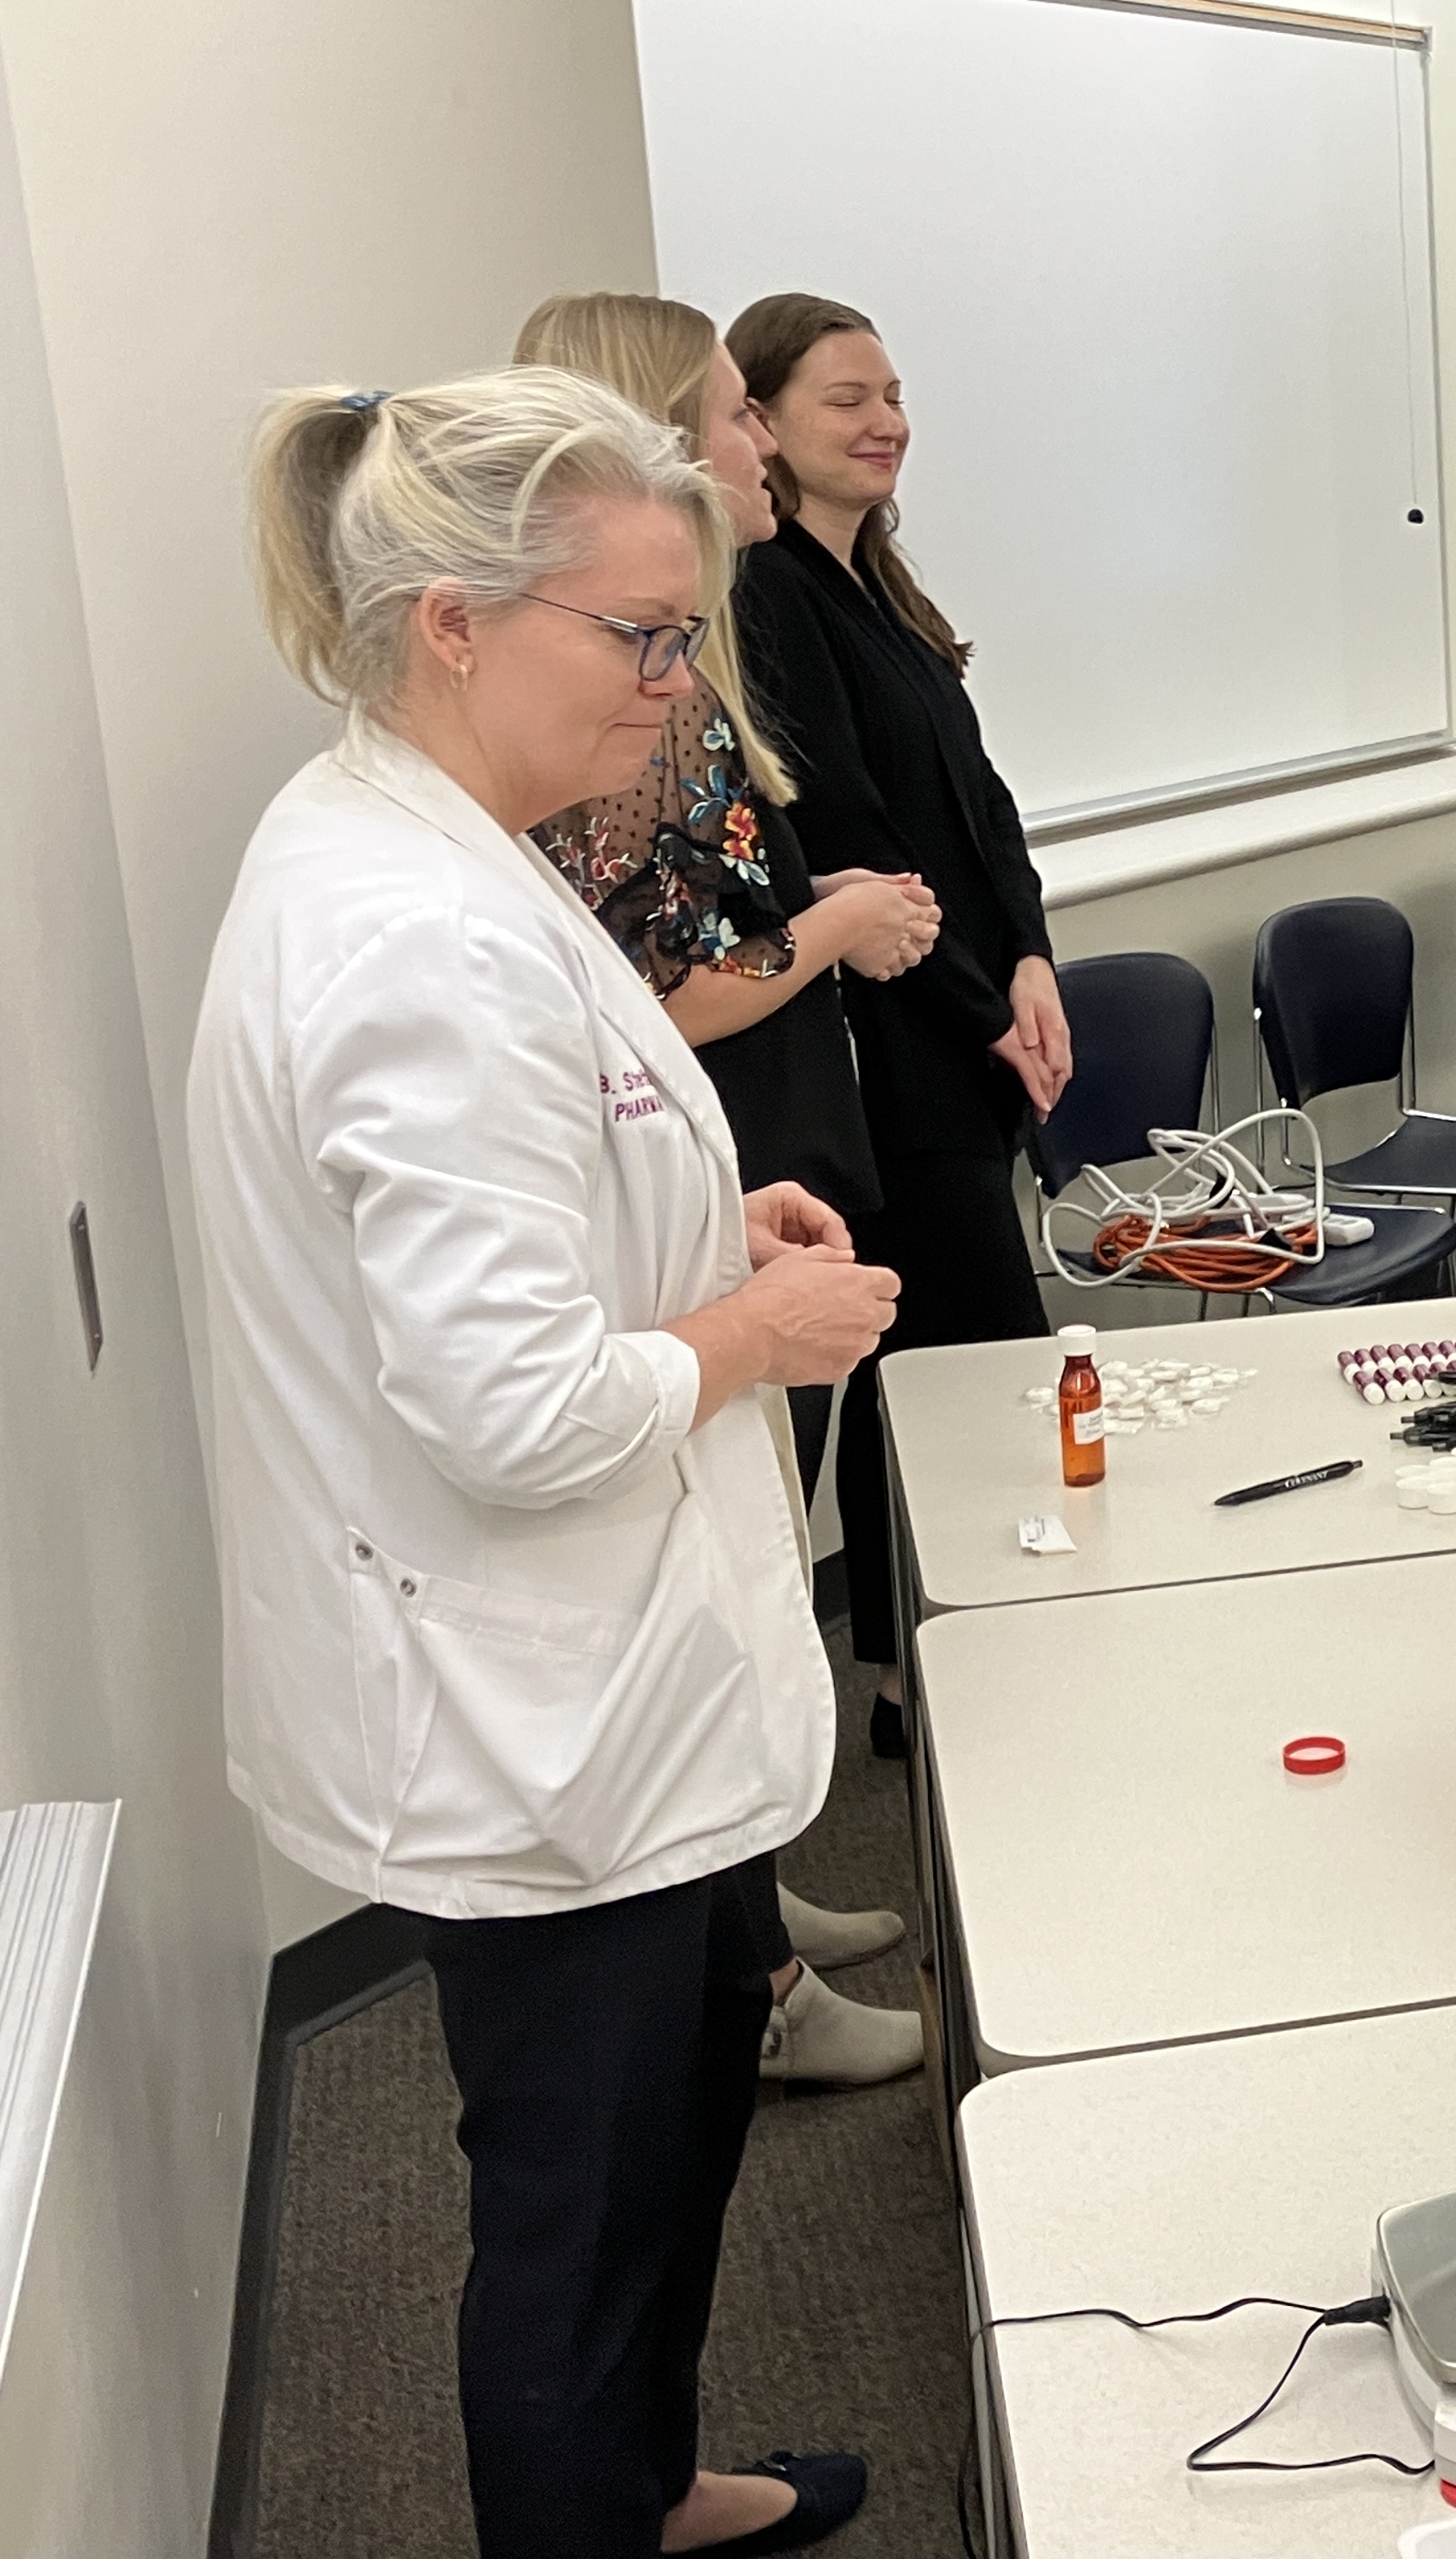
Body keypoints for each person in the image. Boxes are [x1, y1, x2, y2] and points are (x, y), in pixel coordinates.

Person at [195, 367, 889, 2554]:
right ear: (456, 627)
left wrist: (703, 1241)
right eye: (647, 636)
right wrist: (753, 1330)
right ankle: (587, 2508)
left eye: (690, 630)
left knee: (671, 2134)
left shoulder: (439, 850)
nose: (686, 684)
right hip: (527, 1716)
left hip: (599, 1696)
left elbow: (529, 1225)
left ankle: (648, 2486)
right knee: (576, 2221)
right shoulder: (407, 933)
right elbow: (499, 1407)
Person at [514, 290, 931, 2091]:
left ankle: (752, 1917)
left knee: (765, 1552)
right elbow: (658, 976)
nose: (759, 443)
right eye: (737, 417)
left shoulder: (691, 680)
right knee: (724, 1577)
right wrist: (831, 927)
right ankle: (747, 1979)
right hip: (724, 1157)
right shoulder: (635, 708)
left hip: (766, 1156)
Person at [726, 293, 1068, 1757]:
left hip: (964, 1029)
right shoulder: (769, 597)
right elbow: (851, 844)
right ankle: (926, 1672)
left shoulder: (884, 591)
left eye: (892, 395)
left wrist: (1037, 958)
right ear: (764, 428)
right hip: (895, 1056)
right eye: (839, 400)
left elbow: (977, 806)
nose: (882, 422)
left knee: (941, 1363)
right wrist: (987, 1009)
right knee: (961, 1373)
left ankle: (913, 1674)